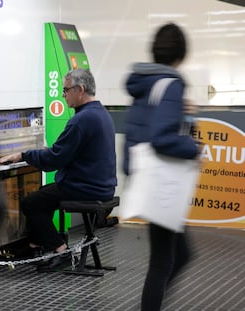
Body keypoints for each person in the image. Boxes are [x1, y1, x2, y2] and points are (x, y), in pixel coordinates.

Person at [0, 68, 117, 272]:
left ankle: (61, 250)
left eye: (66, 90)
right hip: (101, 186)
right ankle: (35, 245)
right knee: (45, 195)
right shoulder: (100, 113)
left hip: (86, 188)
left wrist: (23, 155)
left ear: (80, 89)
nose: (63, 95)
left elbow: (55, 159)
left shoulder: (82, 120)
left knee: (31, 203)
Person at [123, 23, 201, 310]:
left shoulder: (144, 82)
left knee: (180, 255)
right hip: (164, 182)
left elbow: (140, 130)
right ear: (181, 54)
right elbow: (161, 137)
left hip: (151, 178)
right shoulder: (172, 83)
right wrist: (193, 148)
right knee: (162, 262)